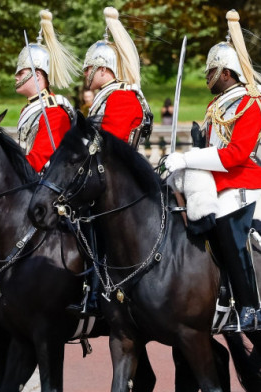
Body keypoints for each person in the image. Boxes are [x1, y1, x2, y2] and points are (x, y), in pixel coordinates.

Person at [165, 10, 261, 332]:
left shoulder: (250, 103)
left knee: (227, 226)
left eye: (211, 69)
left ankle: (249, 306)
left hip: (245, 184)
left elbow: (234, 156)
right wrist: (195, 146)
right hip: (217, 183)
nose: (207, 74)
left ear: (225, 71)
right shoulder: (216, 106)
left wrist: (190, 159)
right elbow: (213, 148)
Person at [14, 10, 78, 173]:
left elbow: (40, 160)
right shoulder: (32, 108)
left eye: (21, 73)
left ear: (36, 75)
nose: (15, 77)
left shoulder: (53, 111)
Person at [82, 7, 153, 149]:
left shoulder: (121, 97)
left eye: (88, 68)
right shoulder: (110, 94)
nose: (85, 73)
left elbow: (108, 144)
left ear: (102, 69)